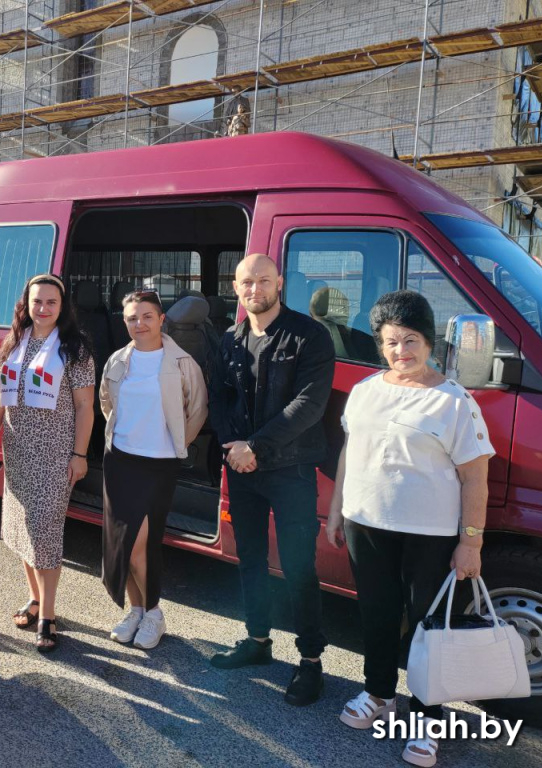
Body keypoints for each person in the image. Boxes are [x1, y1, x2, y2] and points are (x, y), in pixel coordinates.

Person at [325, 291, 494, 767]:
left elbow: (475, 476)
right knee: (376, 615)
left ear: (429, 341)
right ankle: (379, 694)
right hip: (366, 524)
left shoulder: (454, 403)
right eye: (392, 342)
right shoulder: (365, 391)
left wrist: (470, 542)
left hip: (431, 535)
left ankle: (426, 718)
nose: (402, 351)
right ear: (380, 345)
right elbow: (349, 454)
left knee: (428, 628)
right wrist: (338, 511)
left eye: (411, 340)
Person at [208, 252, 336, 707]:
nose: (254, 290)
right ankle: (258, 641)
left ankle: (311, 662)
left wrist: (254, 448)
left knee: (299, 566)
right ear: (236, 286)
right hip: (241, 469)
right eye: (246, 282)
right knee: (250, 558)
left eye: (263, 280)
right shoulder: (229, 339)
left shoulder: (310, 336)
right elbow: (218, 399)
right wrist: (232, 447)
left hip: (291, 469)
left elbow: (308, 406)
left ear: (279, 282)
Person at [0, 274, 95, 652]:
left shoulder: (75, 349)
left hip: (55, 455)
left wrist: (80, 455)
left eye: (51, 302)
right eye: (37, 302)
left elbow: (85, 406)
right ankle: (34, 598)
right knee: (21, 531)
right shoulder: (13, 342)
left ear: (62, 306)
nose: (43, 309)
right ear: (26, 304)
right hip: (18, 452)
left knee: (45, 533)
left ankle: (48, 616)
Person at [99, 290, 208, 649]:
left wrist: (176, 444)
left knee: (139, 545)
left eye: (147, 316)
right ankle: (137, 610)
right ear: (124, 321)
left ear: (162, 319)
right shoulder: (118, 360)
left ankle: (155, 612)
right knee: (123, 542)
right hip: (120, 460)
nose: (139, 323)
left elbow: (198, 410)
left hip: (158, 464)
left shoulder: (181, 362)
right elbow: (106, 402)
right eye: (132, 317)